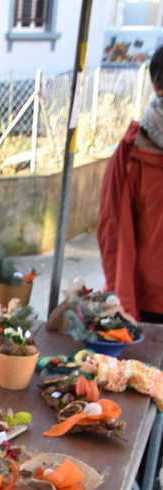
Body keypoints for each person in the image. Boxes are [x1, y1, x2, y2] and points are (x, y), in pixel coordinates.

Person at [98, 45, 163, 323]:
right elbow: (113, 227)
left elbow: (112, 229)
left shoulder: (133, 150)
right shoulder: (131, 152)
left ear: (154, 83)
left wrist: (121, 295)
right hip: (150, 297)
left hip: (148, 295)